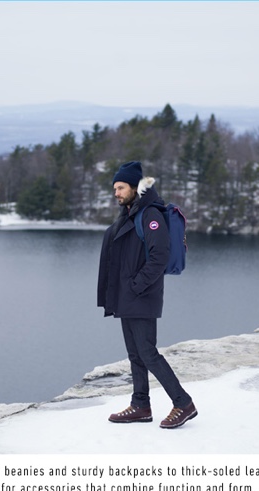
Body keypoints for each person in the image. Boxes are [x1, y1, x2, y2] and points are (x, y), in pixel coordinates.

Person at [97, 160, 197, 428]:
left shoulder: (150, 215)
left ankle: (183, 403)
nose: (116, 193)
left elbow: (160, 256)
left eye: (120, 187)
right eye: (114, 188)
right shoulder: (130, 212)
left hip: (141, 295)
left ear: (134, 187)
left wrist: (136, 286)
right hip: (129, 296)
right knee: (135, 354)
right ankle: (140, 405)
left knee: (148, 352)